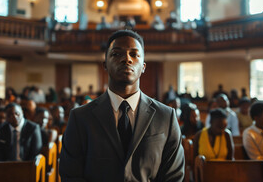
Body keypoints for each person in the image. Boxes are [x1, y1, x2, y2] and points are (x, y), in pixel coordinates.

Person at [59, 30, 185, 181]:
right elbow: (70, 175)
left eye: (134, 54)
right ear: (105, 64)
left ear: (143, 66)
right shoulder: (80, 117)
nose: (126, 59)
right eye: (116, 54)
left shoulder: (166, 116)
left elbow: (173, 176)